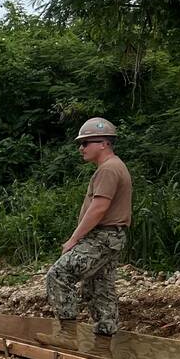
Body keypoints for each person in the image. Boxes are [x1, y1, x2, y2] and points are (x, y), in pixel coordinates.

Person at [44, 117, 133, 339]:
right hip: (111, 237)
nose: (81, 148)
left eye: (85, 143)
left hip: (103, 237)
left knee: (59, 274)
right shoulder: (114, 166)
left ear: (103, 143)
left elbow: (99, 208)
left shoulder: (108, 169)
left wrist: (74, 239)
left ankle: (67, 336)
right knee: (99, 288)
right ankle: (105, 338)